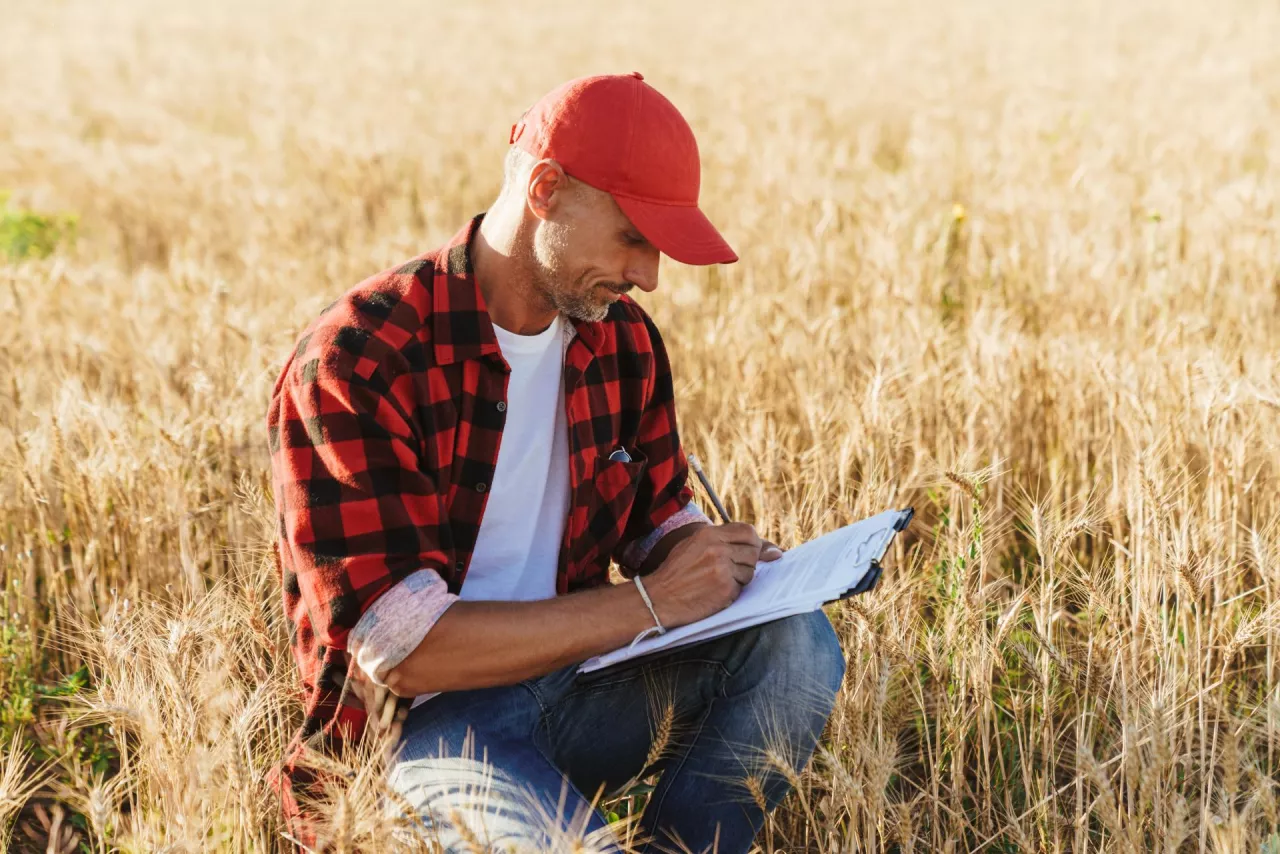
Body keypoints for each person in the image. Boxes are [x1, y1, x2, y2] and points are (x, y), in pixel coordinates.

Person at [266, 72, 846, 853]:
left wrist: (720, 563)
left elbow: (654, 516)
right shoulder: (360, 360)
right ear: (545, 189)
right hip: (416, 737)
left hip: (578, 687)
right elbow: (400, 651)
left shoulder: (622, 338)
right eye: (633, 237)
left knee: (797, 642)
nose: (648, 274)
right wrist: (652, 603)